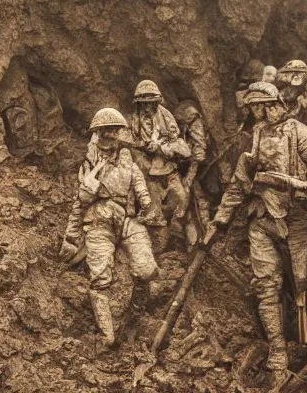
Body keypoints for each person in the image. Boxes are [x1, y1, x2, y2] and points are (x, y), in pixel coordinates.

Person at [209, 82, 307, 378]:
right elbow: (238, 184)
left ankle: (305, 345)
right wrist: (220, 219)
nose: (260, 112)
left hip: (295, 216)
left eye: (263, 106)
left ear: (276, 104)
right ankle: (278, 351)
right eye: (254, 108)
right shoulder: (251, 138)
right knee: (267, 286)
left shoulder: (296, 131)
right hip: (263, 218)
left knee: (302, 283)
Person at [60, 108, 159, 346]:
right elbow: (79, 203)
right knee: (101, 278)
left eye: (114, 131)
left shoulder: (127, 160)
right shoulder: (89, 164)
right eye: (105, 132)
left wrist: (147, 206)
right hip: (98, 222)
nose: (110, 136)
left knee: (147, 270)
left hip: (127, 220)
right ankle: (107, 335)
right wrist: (71, 237)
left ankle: (135, 319)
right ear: (97, 134)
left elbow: (140, 188)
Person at [127, 80, 191, 252]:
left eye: (151, 103)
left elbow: (176, 142)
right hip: (147, 170)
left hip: (167, 165)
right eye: (144, 103)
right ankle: (158, 243)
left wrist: (162, 148)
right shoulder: (134, 120)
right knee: (152, 208)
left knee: (181, 199)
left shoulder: (165, 116)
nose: (148, 107)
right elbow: (132, 144)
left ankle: (177, 236)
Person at [173, 99, 211, 247]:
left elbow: (200, 152)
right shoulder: (179, 121)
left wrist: (190, 177)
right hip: (184, 165)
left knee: (200, 199)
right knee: (187, 202)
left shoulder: (194, 121)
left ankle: (204, 235)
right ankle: (192, 240)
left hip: (200, 167)